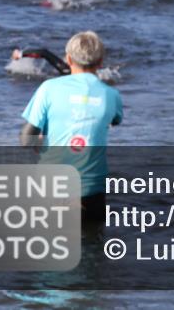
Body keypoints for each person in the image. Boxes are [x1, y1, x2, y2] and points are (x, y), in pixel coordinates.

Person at [19, 31, 122, 222]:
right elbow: (115, 120)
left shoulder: (48, 88)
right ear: (100, 62)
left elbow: (25, 139)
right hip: (93, 189)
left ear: (68, 58)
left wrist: (39, 142)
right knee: (94, 243)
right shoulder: (111, 95)